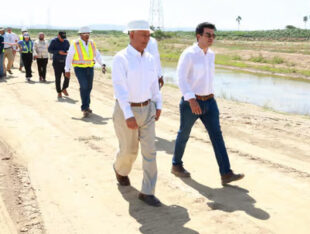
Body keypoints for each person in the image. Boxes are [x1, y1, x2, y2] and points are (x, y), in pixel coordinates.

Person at [171, 22, 244, 186]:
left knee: (217, 136)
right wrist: (191, 99)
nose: (211, 38)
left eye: (213, 35)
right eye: (208, 35)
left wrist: (210, 98)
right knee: (184, 134)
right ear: (199, 36)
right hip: (192, 103)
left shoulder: (211, 54)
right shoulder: (189, 54)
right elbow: (181, 78)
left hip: (210, 102)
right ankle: (176, 165)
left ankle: (226, 173)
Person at [112, 20, 162, 207]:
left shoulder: (149, 58)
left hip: (147, 109)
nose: (146, 39)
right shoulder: (121, 58)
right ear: (131, 34)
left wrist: (158, 104)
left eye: (148, 35)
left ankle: (147, 192)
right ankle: (120, 170)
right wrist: (128, 114)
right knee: (129, 152)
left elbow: (154, 85)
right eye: (143, 35)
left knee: (150, 152)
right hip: (127, 110)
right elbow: (120, 89)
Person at [64, 26, 106, 117]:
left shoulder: (92, 43)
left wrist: (102, 64)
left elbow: (97, 55)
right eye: (84, 33)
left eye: (88, 33)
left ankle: (87, 106)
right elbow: (69, 57)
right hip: (79, 68)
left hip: (90, 68)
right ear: (80, 34)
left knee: (89, 87)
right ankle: (84, 107)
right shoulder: (75, 43)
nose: (87, 35)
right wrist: (67, 69)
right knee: (84, 86)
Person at [48, 31, 70, 98]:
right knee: (58, 78)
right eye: (61, 38)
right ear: (58, 35)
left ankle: (64, 88)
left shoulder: (66, 41)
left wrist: (67, 52)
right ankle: (59, 92)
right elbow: (49, 50)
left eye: (64, 37)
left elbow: (69, 50)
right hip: (56, 62)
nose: (63, 39)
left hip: (65, 62)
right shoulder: (53, 41)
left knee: (67, 76)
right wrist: (58, 52)